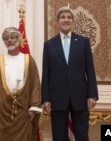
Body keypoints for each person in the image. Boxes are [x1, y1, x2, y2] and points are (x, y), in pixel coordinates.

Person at [41, 6, 99, 141]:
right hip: (57, 97)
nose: (66, 20)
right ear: (57, 22)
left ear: (72, 21)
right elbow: (46, 73)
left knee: (82, 136)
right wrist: (46, 98)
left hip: (80, 96)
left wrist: (92, 95)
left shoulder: (83, 42)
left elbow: (90, 70)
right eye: (62, 17)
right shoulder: (49, 45)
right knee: (59, 136)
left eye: (69, 17)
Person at [0, 27, 41, 141]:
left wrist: (34, 106)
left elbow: (35, 84)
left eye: (12, 37)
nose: (9, 40)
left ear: (18, 39)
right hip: (2, 110)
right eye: (6, 38)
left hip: (23, 111)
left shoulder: (28, 59)